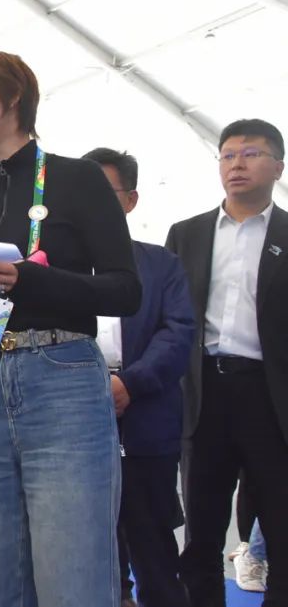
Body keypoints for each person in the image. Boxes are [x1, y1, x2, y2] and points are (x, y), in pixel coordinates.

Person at [0, 51, 141, 607]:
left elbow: (125, 290)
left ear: (13, 96)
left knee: (73, 576)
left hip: (63, 382)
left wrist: (29, 280)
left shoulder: (78, 178)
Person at [166, 118, 288, 607]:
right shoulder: (187, 234)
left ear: (278, 166)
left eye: (251, 154)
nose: (237, 164)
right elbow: (168, 316)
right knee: (201, 532)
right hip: (204, 396)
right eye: (228, 155)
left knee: (281, 527)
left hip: (272, 398)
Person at [84, 147, 194, 607]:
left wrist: (130, 383)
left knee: (153, 542)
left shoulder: (160, 264)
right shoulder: (51, 265)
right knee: (88, 546)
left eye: (103, 192)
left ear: (130, 201)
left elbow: (178, 331)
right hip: (73, 417)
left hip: (146, 418)